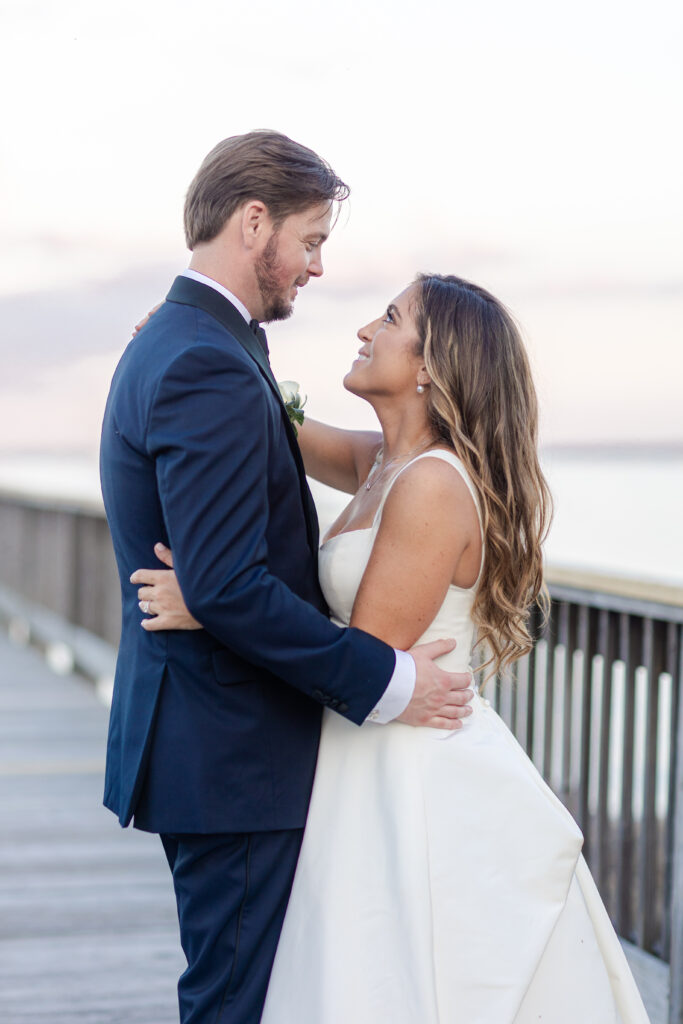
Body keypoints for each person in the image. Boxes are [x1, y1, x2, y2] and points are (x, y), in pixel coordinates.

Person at [137, 274, 651, 1022]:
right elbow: (268, 418)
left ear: (427, 367)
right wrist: (195, 334)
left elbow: (360, 653)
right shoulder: (380, 460)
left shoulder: (433, 486)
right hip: (364, 751)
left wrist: (211, 605)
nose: (363, 331)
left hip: (413, 771)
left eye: (389, 318)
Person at [99, 131, 474, 1024]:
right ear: (253, 221)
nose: (314, 268)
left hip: (222, 746)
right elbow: (229, 582)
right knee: (236, 1004)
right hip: (237, 756)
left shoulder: (193, 344)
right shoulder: (204, 360)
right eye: (309, 241)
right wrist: (388, 681)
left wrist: (215, 598)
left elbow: (225, 577)